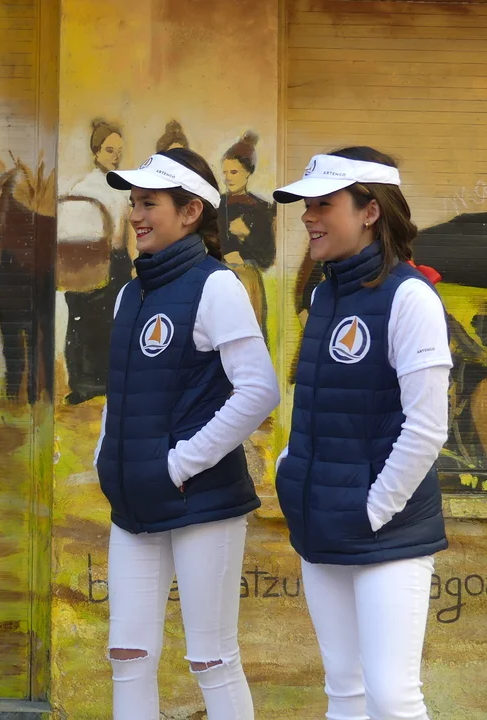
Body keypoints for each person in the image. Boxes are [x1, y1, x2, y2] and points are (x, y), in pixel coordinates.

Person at [95, 148, 280, 719]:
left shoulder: (215, 285)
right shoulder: (131, 292)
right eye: (133, 203)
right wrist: (106, 456)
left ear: (191, 211)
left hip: (202, 502)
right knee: (127, 656)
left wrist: (179, 464)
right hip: (133, 503)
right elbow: (122, 391)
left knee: (211, 659)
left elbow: (258, 390)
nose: (135, 215)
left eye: (148, 203)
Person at [273, 147, 452, 720]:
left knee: (392, 698)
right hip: (322, 523)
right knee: (344, 692)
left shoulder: (410, 297)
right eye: (306, 205)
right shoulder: (325, 294)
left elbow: (428, 428)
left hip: (387, 533)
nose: (308, 217)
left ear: (370, 211)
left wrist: (372, 510)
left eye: (324, 204)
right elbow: (317, 406)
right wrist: (290, 470)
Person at [62, 119, 135, 404]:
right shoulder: (84, 187)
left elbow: (129, 228)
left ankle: (109, 382)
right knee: (81, 322)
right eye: (109, 150)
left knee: (114, 322)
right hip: (87, 259)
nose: (115, 156)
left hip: (117, 260)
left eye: (119, 151)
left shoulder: (125, 187)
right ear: (96, 151)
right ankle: (82, 384)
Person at [218, 131, 276, 338]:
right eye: (225, 172)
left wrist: (246, 235)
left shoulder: (261, 208)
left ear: (248, 172)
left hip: (248, 283)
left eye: (234, 172)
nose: (228, 178)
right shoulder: (217, 205)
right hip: (220, 280)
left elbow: (267, 258)